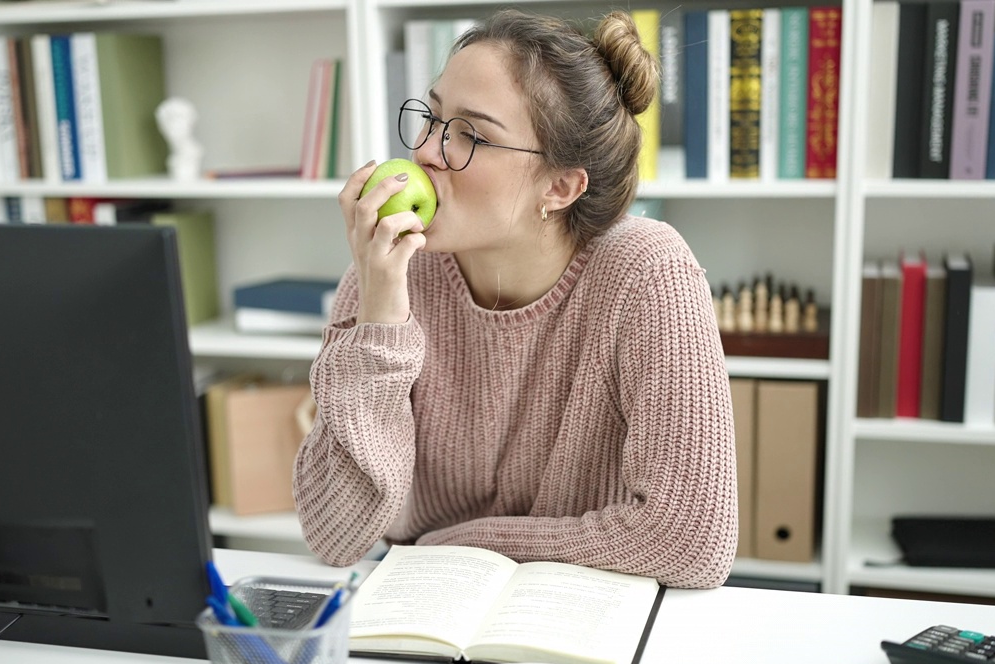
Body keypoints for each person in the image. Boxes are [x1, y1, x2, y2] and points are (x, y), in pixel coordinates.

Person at [293, 9, 737, 588]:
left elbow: (692, 541)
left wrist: (460, 544)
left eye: (471, 134)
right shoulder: (391, 269)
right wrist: (380, 317)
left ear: (559, 187)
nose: (426, 151)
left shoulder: (647, 273)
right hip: (424, 597)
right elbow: (334, 535)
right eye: (432, 118)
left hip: (580, 603)